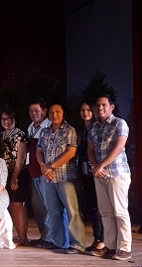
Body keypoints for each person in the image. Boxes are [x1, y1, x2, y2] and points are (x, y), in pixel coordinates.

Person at [36, 103, 85, 254]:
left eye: (57, 112)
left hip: (65, 177)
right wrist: (43, 166)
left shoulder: (69, 130)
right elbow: (38, 150)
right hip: (48, 178)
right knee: (53, 211)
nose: (54, 114)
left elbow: (71, 152)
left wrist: (51, 166)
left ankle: (77, 244)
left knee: (72, 211)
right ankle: (58, 242)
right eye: (51, 112)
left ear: (63, 113)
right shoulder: (44, 131)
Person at [88, 95, 132, 261]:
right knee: (105, 212)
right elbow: (90, 150)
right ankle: (110, 245)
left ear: (111, 107)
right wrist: (95, 166)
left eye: (104, 105)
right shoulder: (94, 127)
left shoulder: (119, 123)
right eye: (98, 105)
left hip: (116, 173)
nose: (100, 108)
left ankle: (125, 248)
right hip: (100, 175)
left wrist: (101, 165)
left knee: (120, 211)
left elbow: (120, 146)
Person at [0, 108, 29, 246]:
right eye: (3, 119)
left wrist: (15, 176)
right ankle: (17, 235)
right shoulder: (1, 135)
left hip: (17, 173)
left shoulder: (20, 134)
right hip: (4, 174)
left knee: (17, 205)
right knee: (10, 204)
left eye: (8, 119)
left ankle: (23, 237)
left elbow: (21, 156)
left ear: (14, 121)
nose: (6, 121)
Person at [76, 101, 104, 253]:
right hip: (85, 173)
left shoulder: (97, 128)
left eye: (88, 110)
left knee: (100, 207)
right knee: (93, 206)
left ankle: (103, 240)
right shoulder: (82, 130)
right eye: (82, 109)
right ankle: (97, 238)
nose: (85, 112)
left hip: (97, 172)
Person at [26, 98, 53, 248]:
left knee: (48, 205)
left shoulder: (49, 126)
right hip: (33, 172)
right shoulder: (30, 127)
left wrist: (46, 167)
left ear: (44, 110)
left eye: (37, 110)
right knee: (37, 205)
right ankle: (44, 236)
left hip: (45, 172)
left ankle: (52, 238)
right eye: (31, 111)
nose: (34, 113)